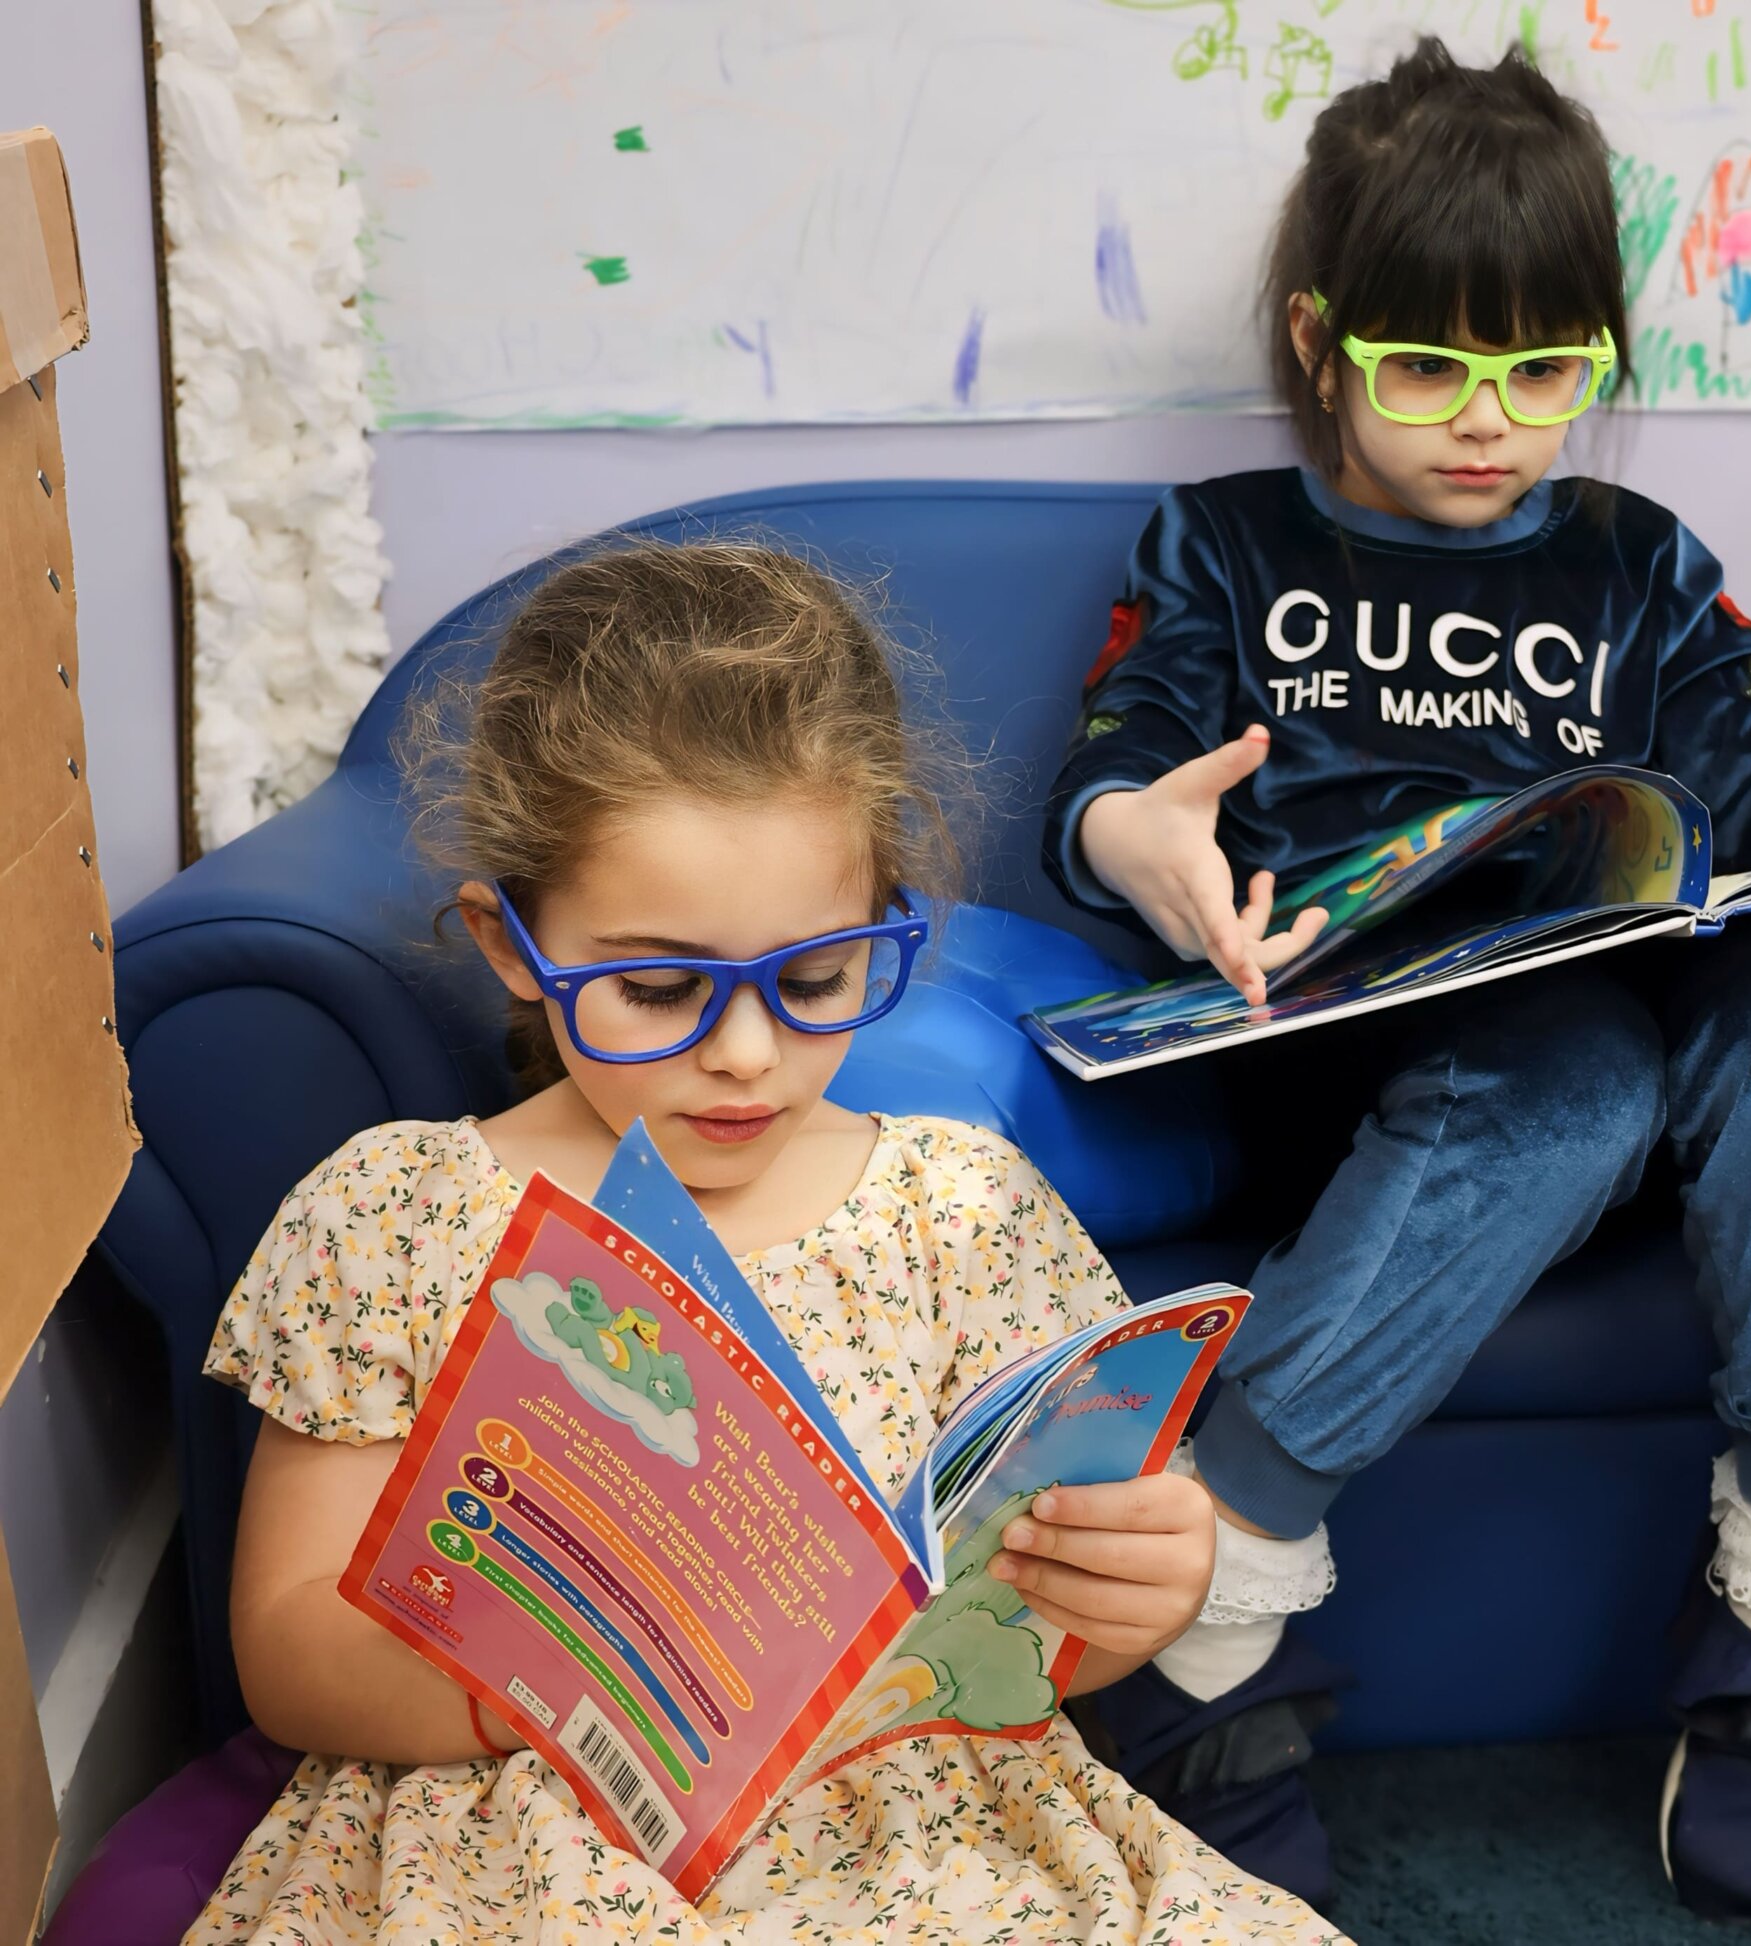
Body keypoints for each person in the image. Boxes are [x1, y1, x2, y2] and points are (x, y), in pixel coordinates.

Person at [1042, 38, 1751, 1920]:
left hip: (1653, 1029)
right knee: (1566, 1060)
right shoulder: (1224, 544)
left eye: (1544, 372)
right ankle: (1214, 1596)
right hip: (1378, 1069)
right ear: (1322, 344)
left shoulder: (1637, 567)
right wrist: (1142, 840)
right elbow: (1120, 765)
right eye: (1428, 371)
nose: (1489, 423)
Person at [195, 542, 1342, 1946]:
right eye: (660, 984)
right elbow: (288, 1651)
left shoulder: (956, 1209)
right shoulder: (398, 1212)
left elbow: (1039, 1642)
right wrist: (552, 1688)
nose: (744, 1055)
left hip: (928, 1832)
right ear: (512, 944)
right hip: (533, 1828)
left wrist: (1146, 1590)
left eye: (812, 977)